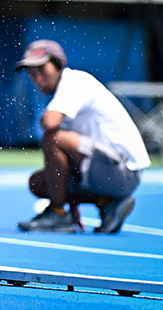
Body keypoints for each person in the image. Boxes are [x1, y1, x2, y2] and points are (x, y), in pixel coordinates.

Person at [15, 40, 151, 234]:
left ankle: (57, 213)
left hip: (123, 171)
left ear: (59, 64)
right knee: (38, 183)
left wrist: (61, 202)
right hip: (105, 168)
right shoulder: (65, 91)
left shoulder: (74, 82)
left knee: (53, 138)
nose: (37, 78)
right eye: (32, 73)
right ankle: (107, 202)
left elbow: (49, 123)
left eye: (42, 70)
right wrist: (70, 203)